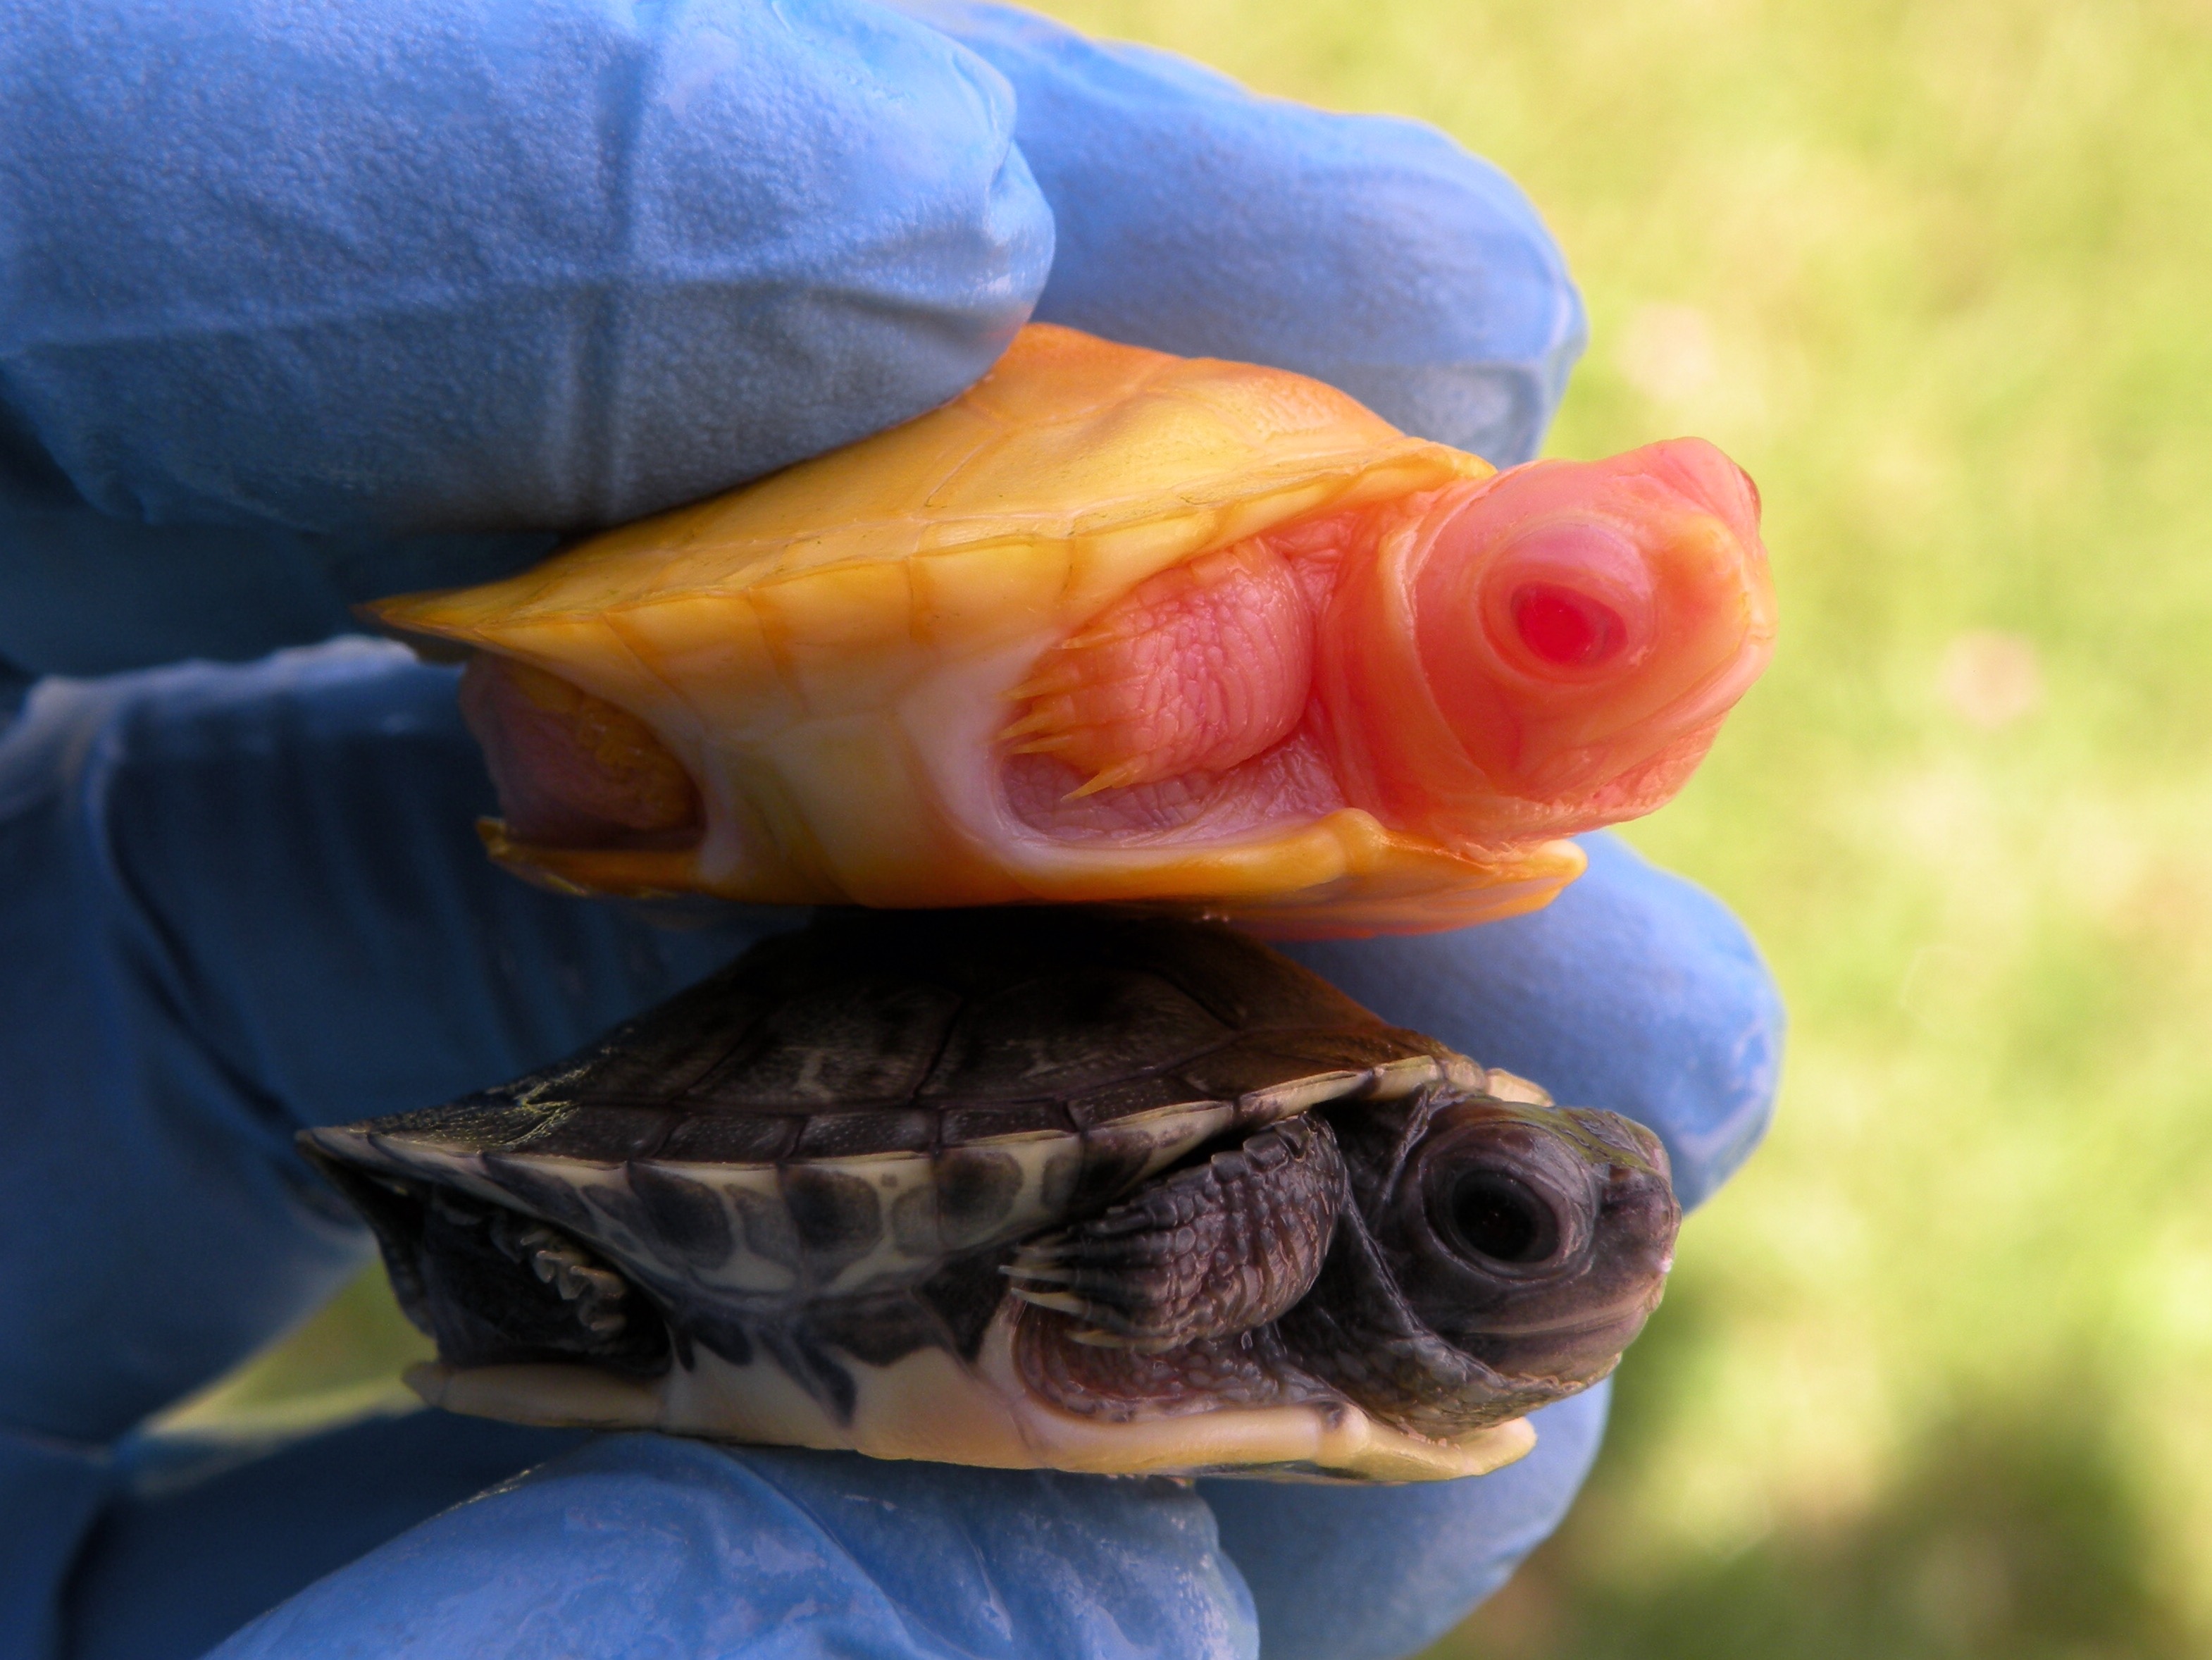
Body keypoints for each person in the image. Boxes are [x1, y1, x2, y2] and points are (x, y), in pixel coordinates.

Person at [0, 1, 1784, 1654]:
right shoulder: (1290, 1123)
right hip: (790, 697)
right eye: (1501, 1212)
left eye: (1526, 1223)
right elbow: (1265, 1161)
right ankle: (522, 1173)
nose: (1598, 1249)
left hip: (793, 896)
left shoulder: (1384, 1075)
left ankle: (521, 1241)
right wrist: (1206, 1229)